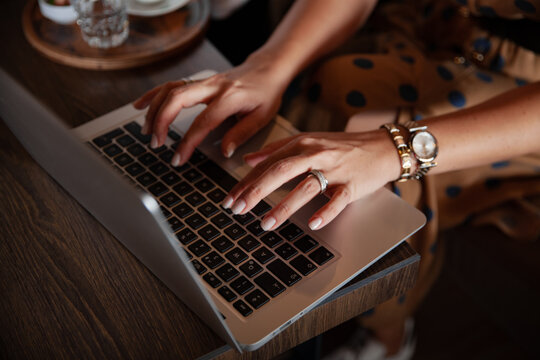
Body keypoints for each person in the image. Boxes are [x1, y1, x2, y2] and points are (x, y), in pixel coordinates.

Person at [134, 0, 540, 358]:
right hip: (429, 21)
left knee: (374, 193)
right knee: (328, 98)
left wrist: (393, 149)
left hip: (522, 97)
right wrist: (268, 66)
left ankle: (390, 333)